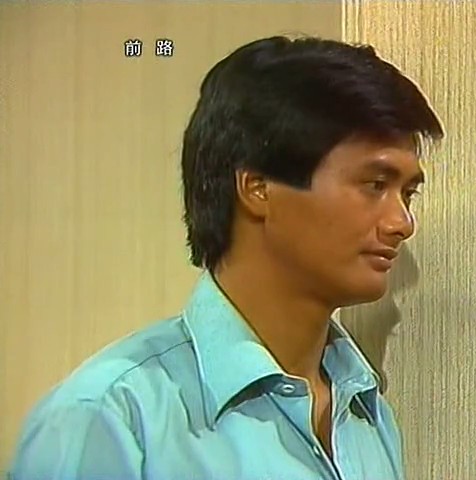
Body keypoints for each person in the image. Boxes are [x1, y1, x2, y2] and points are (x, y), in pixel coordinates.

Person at [8, 35, 443, 480]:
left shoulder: (365, 411)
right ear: (258, 187)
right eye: (375, 185)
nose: (402, 223)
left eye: (407, 194)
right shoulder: (109, 420)